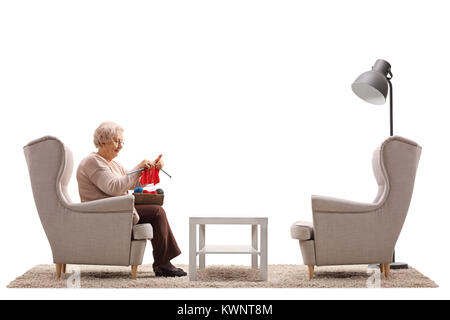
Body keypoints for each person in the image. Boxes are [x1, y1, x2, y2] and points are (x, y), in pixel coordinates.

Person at [76, 121, 186, 277]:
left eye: (122, 141)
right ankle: (163, 263)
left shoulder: (112, 163)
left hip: (115, 209)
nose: (120, 146)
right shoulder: (92, 162)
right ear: (102, 141)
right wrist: (137, 167)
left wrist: (152, 169)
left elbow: (133, 182)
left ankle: (163, 263)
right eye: (116, 141)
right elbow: (114, 187)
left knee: (157, 211)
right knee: (157, 212)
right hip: (103, 213)